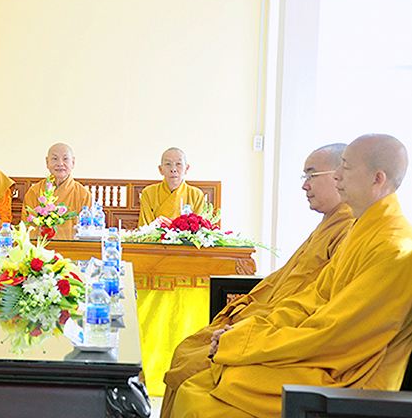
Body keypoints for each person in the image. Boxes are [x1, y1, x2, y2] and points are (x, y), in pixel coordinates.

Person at [171, 134, 412, 418]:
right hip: (321, 352)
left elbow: (336, 333)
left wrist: (246, 343)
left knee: (204, 396)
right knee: (202, 379)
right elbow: (310, 299)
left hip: (349, 377)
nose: (337, 175)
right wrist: (248, 332)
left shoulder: (393, 250)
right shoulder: (362, 230)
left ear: (377, 179)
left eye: (345, 167)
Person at [22, 143, 92, 239]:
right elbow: (27, 227)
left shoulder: (83, 194)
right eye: (55, 159)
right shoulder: (34, 191)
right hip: (41, 246)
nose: (60, 164)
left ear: (73, 162)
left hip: (72, 247)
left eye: (65, 159)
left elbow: (87, 231)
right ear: (47, 162)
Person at [139, 147, 206, 226]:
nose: (173, 169)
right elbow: (145, 228)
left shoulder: (196, 194)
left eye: (178, 164)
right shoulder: (149, 193)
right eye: (168, 164)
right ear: (160, 169)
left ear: (186, 168)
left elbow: (199, 228)